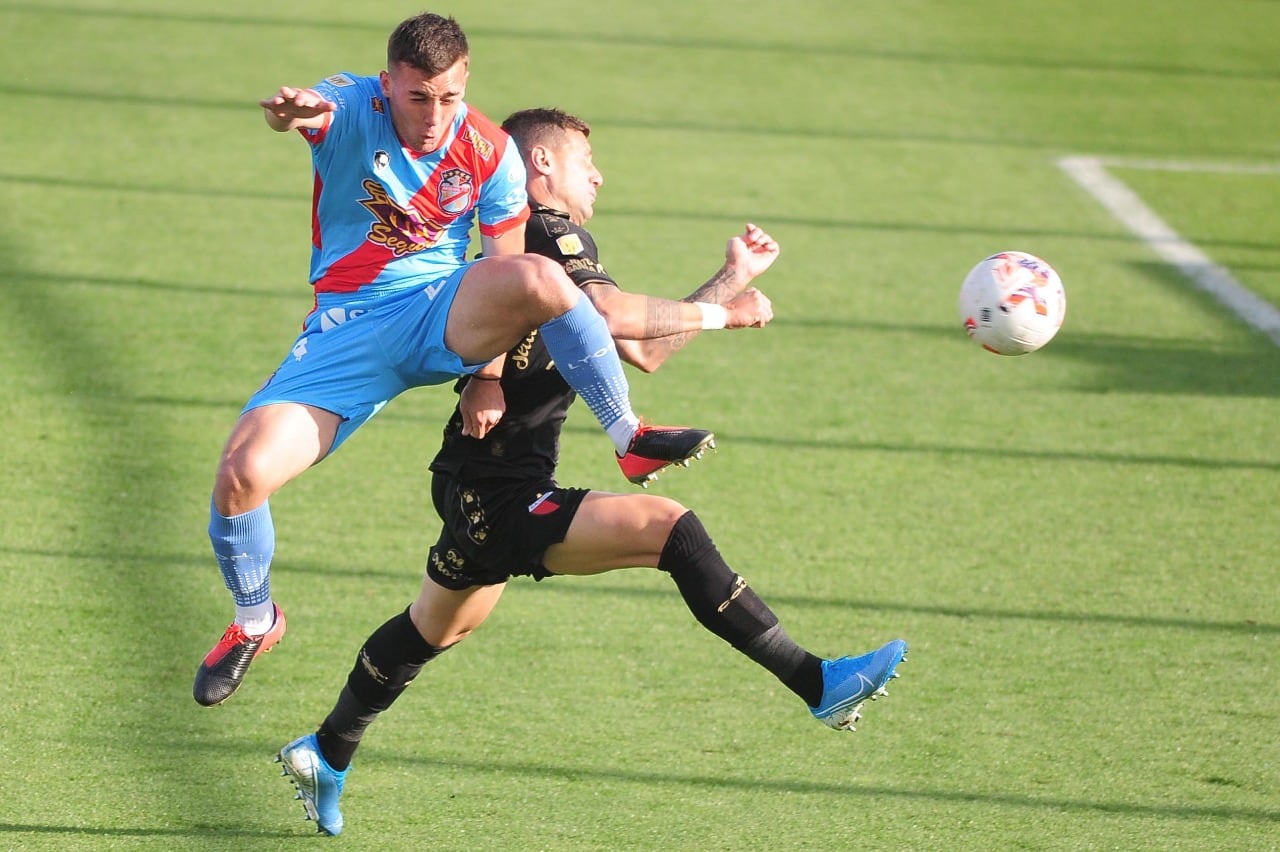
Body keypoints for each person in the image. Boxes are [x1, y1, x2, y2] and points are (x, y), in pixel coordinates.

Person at [274, 108, 908, 837]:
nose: (598, 175)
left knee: (436, 629)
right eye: (585, 160)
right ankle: (818, 681)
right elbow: (611, 315)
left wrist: (730, 279)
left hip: (477, 480)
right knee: (667, 529)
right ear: (540, 165)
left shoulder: (540, 239)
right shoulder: (544, 227)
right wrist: (730, 316)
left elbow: (642, 347)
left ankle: (327, 750)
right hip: (499, 485)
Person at [192, 14, 723, 708]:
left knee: (540, 279)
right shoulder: (354, 105)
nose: (434, 116)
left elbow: (507, 271)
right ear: (389, 86)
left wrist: (487, 376)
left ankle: (627, 434)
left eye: (447, 98)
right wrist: (292, 114)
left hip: (439, 309)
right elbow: (316, 112)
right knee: (241, 476)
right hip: (347, 335)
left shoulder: (491, 150)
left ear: (464, 81)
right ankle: (255, 620)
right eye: (417, 98)